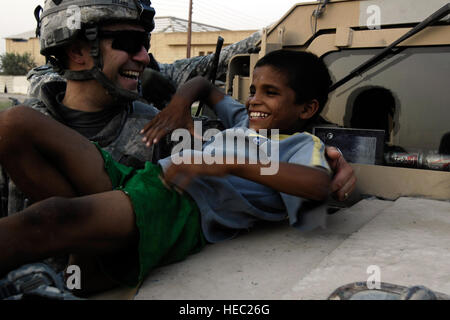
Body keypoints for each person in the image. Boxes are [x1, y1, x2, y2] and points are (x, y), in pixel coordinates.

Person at [0, 50, 332, 293]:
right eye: (254, 91)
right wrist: (178, 106)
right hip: (148, 177)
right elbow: (202, 83)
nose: (253, 102)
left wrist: (229, 163)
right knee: (15, 123)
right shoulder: (245, 121)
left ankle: (84, 254)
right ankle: (88, 255)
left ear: (307, 108)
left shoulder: (300, 144)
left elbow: (318, 185)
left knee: (51, 217)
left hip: (181, 206)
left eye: (270, 93)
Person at [0, 1, 354, 220]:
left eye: (146, 44)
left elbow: (247, 150)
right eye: (129, 44)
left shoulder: (163, 127)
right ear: (78, 53)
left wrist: (331, 155)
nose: (144, 57)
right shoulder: (20, 130)